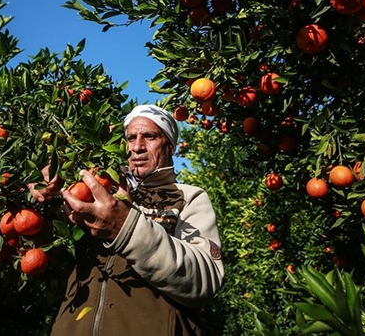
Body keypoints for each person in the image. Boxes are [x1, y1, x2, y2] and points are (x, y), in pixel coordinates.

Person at [29, 104, 225, 335]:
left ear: (170, 146)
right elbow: (48, 255)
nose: (137, 147)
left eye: (150, 137)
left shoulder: (189, 197)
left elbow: (205, 280)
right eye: (131, 138)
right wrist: (45, 200)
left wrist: (126, 228)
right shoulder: (99, 193)